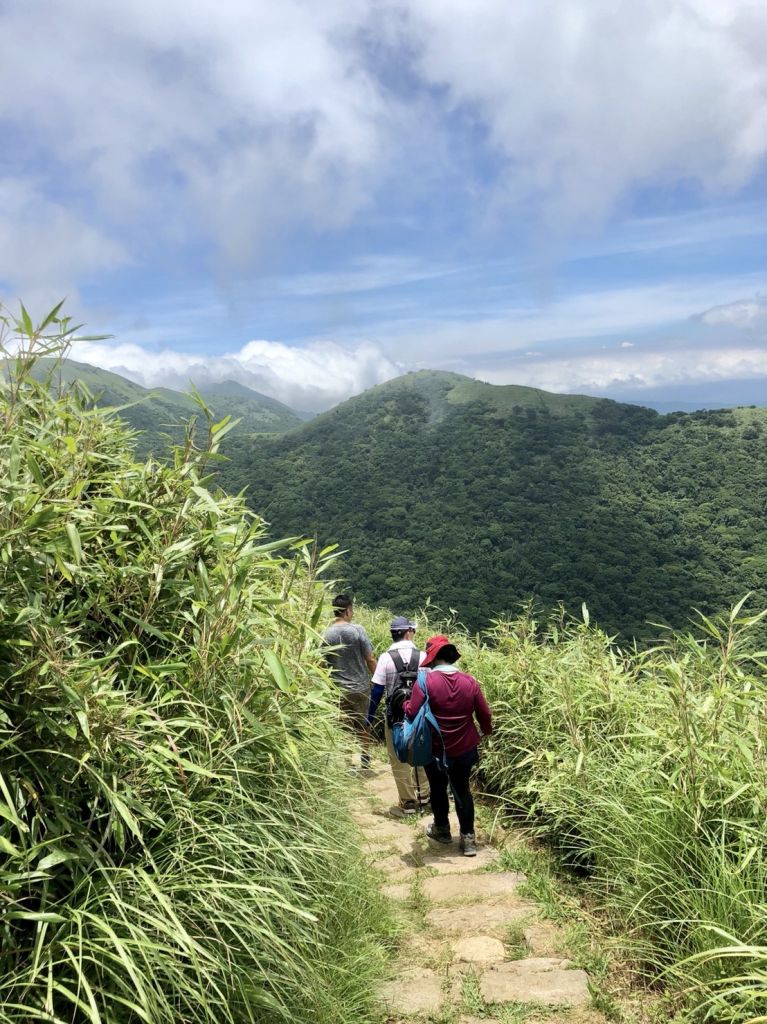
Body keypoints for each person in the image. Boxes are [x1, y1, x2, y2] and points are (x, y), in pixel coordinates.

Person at [404, 633, 492, 856]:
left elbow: (412, 712)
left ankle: (442, 830)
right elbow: (484, 713)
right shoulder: (470, 681)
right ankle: (468, 838)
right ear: (451, 657)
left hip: (435, 748)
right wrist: (486, 732)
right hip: (464, 748)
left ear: (432, 659)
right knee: (462, 789)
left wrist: (404, 705)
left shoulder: (425, 681)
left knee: (438, 788)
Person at [366, 615, 431, 816]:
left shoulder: (386, 658)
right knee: (421, 751)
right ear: (408, 632)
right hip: (419, 714)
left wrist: (369, 717)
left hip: (394, 716)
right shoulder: (422, 657)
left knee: (397, 757)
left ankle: (408, 802)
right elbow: (430, 686)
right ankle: (425, 796)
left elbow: (377, 690)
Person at [323, 594, 377, 768]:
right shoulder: (357, 630)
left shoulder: (326, 633)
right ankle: (365, 757)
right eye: (351, 610)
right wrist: (377, 679)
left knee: (344, 726)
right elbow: (369, 658)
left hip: (339, 689)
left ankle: (348, 763)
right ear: (347, 610)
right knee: (363, 724)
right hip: (361, 687)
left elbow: (321, 662)